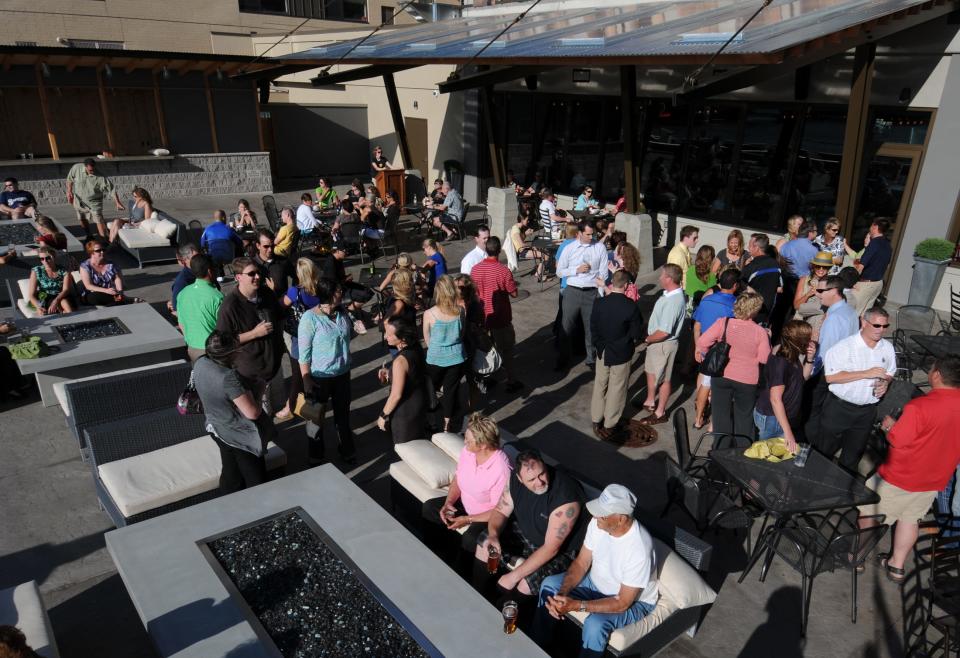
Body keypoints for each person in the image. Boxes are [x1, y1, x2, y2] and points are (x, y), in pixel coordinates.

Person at [858, 356, 960, 583]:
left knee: (869, 514)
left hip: (900, 475)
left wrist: (889, 427)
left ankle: (857, 556)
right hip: (934, 478)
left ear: (937, 375)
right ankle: (897, 565)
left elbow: (898, 440)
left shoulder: (920, 406)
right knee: (910, 519)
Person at [531, 484, 658, 658]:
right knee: (550, 586)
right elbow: (582, 563)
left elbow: (622, 602)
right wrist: (562, 595)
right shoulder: (598, 524)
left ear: (620, 519)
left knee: (595, 625)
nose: (595, 515)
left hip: (632, 601)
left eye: (602, 514)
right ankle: (535, 646)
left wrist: (577, 605)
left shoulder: (639, 549)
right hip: (595, 582)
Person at [478, 449, 587, 596]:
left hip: (561, 550)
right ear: (520, 478)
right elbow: (500, 511)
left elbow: (551, 548)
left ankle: (507, 609)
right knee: (485, 541)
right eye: (531, 479)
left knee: (526, 583)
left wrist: (513, 576)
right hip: (528, 534)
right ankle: (477, 591)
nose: (540, 482)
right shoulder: (514, 480)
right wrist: (493, 535)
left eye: (541, 474)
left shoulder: (566, 495)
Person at [818, 306, 897, 472]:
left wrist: (886, 383)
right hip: (839, 408)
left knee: (852, 457)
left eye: (885, 326)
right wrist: (865, 373)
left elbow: (890, 372)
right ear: (864, 322)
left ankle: (842, 492)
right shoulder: (844, 347)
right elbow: (831, 377)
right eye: (877, 325)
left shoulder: (887, 348)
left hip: (866, 412)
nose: (881, 330)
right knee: (823, 454)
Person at [193, 331, 273, 492]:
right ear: (229, 354)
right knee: (257, 481)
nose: (240, 350)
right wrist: (259, 391)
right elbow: (252, 413)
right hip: (239, 435)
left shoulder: (201, 362)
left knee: (232, 475)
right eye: (237, 348)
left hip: (217, 428)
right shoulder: (228, 378)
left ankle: (230, 506)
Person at [424, 412, 511, 552]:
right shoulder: (468, 451)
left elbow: (498, 512)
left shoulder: (501, 469)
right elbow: (458, 478)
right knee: (430, 508)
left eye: (468, 441)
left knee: (471, 539)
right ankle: (436, 551)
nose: (464, 442)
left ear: (483, 445)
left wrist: (468, 519)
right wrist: (449, 502)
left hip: (485, 516)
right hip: (465, 504)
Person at [696, 292, 771, 438]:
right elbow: (764, 359)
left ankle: (720, 451)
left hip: (722, 375)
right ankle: (741, 453)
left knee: (720, 418)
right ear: (754, 310)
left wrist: (708, 356)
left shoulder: (723, 322)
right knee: (744, 418)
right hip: (747, 380)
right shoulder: (760, 332)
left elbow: (702, 342)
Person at [299, 277, 356, 465]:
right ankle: (316, 456)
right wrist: (306, 378)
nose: (342, 293)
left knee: (343, 416)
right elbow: (304, 353)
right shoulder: (310, 318)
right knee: (315, 420)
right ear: (330, 295)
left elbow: (344, 337)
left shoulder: (341, 313)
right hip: (319, 377)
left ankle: (347, 449)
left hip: (342, 374)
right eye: (339, 291)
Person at [214, 256, 285, 403]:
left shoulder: (266, 294)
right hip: (252, 377)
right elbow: (222, 343)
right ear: (238, 277)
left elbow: (279, 317)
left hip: (275, 368)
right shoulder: (229, 306)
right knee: (261, 419)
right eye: (251, 274)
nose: (257, 277)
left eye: (258, 272)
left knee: (278, 409)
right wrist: (254, 334)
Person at [803, 274, 861, 440]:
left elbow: (824, 352)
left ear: (834, 291)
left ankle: (809, 445)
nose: (817, 294)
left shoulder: (834, 317)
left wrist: (809, 371)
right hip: (840, 369)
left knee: (812, 410)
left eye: (821, 290)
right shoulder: (849, 311)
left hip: (825, 371)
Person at [590, 270, 644, 440]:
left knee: (600, 385)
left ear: (612, 282)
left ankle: (596, 418)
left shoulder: (599, 303)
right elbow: (636, 332)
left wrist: (599, 344)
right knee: (617, 388)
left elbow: (593, 328)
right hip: (621, 352)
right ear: (627, 285)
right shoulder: (630, 306)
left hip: (603, 350)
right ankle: (609, 423)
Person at [471, 236, 523, 392]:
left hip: (482, 318)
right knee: (507, 350)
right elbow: (513, 294)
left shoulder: (475, 269)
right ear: (499, 251)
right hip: (501, 318)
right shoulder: (503, 271)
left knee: (485, 349)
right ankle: (511, 381)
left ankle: (488, 378)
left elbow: (474, 293)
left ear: (486, 250)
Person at [555, 220, 608, 371]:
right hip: (573, 290)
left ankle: (591, 359)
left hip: (591, 292)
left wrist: (599, 293)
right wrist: (576, 270)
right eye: (588, 234)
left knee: (590, 327)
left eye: (593, 234)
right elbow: (559, 271)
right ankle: (563, 358)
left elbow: (603, 272)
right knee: (566, 325)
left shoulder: (599, 248)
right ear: (579, 233)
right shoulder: (569, 248)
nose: (591, 237)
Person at [754, 320, 814, 451]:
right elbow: (775, 400)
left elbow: (803, 377)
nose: (811, 342)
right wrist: (788, 433)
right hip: (773, 419)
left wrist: (810, 359)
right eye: (808, 338)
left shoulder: (790, 352)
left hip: (780, 418)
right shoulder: (781, 361)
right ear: (799, 340)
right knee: (767, 459)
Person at [691, 268, 738, 429]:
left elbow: (697, 326)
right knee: (718, 387)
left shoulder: (706, 300)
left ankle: (698, 419)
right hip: (722, 352)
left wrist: (698, 347)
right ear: (735, 286)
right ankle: (713, 423)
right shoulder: (735, 306)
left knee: (704, 383)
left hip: (705, 349)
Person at [640, 264, 686, 425]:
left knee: (664, 379)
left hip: (662, 344)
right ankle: (651, 401)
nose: (659, 278)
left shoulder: (674, 302)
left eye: (662, 275)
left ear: (669, 279)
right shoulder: (669, 294)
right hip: (656, 344)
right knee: (651, 371)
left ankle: (660, 413)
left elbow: (664, 332)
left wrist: (648, 339)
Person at [278, 257, 323, 420]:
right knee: (315, 369)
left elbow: (280, 305)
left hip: (300, 335)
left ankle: (291, 406)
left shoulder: (295, 292)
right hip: (318, 335)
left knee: (298, 373)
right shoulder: (321, 290)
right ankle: (314, 401)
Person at [424, 275, 467, 432]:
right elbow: (462, 334)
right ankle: (447, 425)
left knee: (429, 389)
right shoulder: (460, 311)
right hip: (456, 356)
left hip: (435, 358)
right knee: (451, 391)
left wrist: (436, 350)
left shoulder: (429, 313)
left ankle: (430, 419)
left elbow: (427, 337)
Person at [377, 316, 428, 443]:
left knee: (405, 448)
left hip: (405, 411)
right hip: (419, 403)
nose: (385, 337)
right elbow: (412, 373)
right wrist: (390, 373)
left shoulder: (400, 361)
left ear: (402, 338)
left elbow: (396, 395)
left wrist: (383, 416)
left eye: (389, 334)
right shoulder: (416, 347)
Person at [176, 254, 223, 362]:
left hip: (192, 349)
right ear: (210, 271)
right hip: (213, 352)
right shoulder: (217, 297)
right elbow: (225, 329)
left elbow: (181, 324)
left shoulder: (183, 293)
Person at [65, 158, 124, 239]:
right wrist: (69, 191)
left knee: (98, 220)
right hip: (79, 200)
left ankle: (104, 239)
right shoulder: (76, 168)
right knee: (82, 218)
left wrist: (117, 202)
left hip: (94, 202)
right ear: (85, 166)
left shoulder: (101, 177)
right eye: (90, 170)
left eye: (93, 169)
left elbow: (112, 190)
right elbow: (69, 180)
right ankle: (89, 235)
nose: (92, 171)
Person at [739, 233, 782, 327]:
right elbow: (781, 288)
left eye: (750, 245)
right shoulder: (776, 265)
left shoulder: (751, 267)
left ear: (756, 248)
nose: (748, 248)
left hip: (750, 312)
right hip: (768, 312)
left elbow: (739, 285)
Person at [78, 238, 137, 306]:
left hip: (110, 292)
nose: (102, 252)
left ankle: (120, 300)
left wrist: (120, 292)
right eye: (98, 250)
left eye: (103, 250)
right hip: (93, 293)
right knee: (95, 297)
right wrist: (106, 290)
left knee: (116, 298)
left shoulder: (110, 264)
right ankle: (124, 300)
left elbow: (117, 278)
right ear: (91, 253)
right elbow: (88, 286)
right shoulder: (85, 266)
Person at [853, 218, 893, 316]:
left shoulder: (874, 243)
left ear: (875, 227)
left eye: (871, 226)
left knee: (854, 313)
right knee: (865, 315)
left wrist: (852, 283)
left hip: (866, 284)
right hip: (878, 284)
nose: (870, 228)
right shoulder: (888, 245)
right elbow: (886, 266)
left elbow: (861, 266)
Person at [27, 246, 73, 316]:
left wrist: (56, 301)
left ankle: (73, 321)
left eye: (48, 258)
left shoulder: (64, 271)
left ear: (53, 257)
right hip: (46, 297)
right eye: (42, 259)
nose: (45, 261)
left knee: (65, 303)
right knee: (49, 309)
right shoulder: (36, 271)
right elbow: (31, 294)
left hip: (61, 296)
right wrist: (38, 306)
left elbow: (66, 290)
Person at [793, 251, 832, 331]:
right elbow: (796, 306)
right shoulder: (804, 280)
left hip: (816, 324)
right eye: (818, 266)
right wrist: (808, 294)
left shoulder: (830, 283)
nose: (821, 270)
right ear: (813, 266)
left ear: (828, 269)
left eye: (824, 267)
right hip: (800, 323)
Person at [253, 228, 290, 293]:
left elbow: (297, 277)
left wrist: (291, 296)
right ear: (258, 246)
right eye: (266, 246)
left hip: (283, 301)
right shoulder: (251, 265)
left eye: (272, 246)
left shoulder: (282, 261)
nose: (270, 249)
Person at [510, 213, 546, 280]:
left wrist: (526, 234)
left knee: (542, 252)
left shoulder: (516, 227)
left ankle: (538, 273)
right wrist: (532, 245)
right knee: (544, 255)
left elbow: (520, 241)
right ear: (522, 220)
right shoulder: (516, 231)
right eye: (527, 220)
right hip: (522, 252)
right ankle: (539, 275)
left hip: (522, 250)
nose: (528, 221)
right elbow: (522, 245)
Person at [168, 243, 199, 316]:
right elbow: (177, 309)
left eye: (199, 257)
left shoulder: (204, 271)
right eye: (194, 259)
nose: (199, 260)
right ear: (184, 261)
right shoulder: (182, 282)